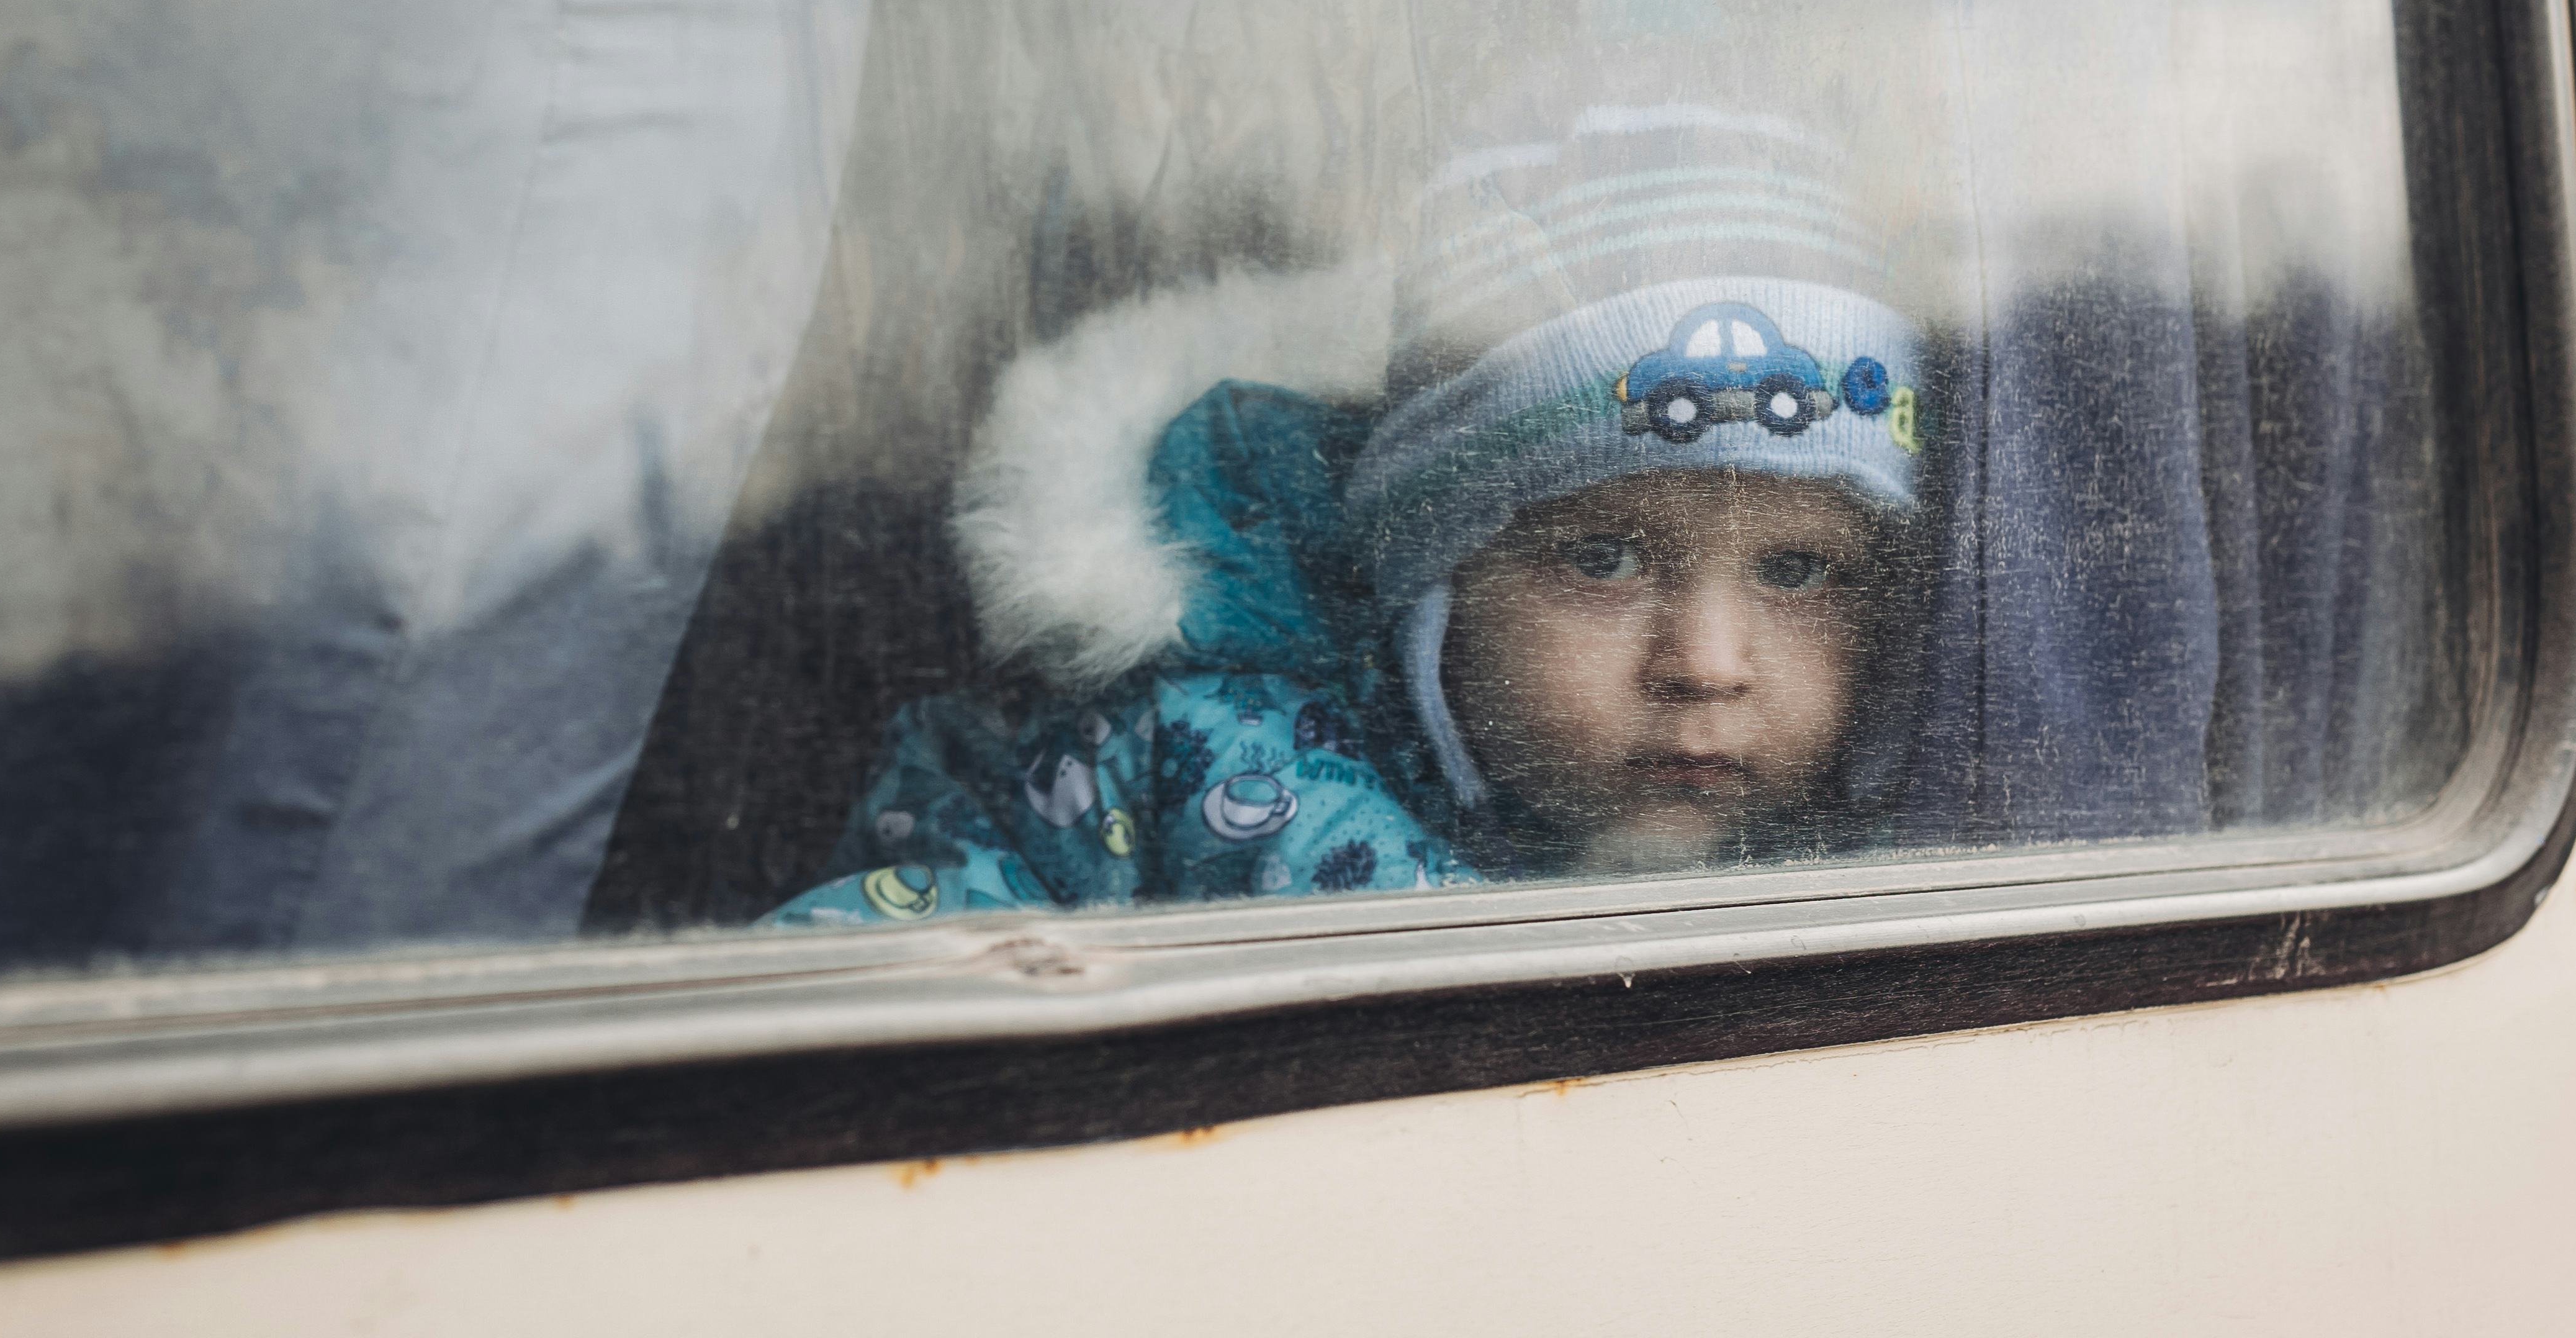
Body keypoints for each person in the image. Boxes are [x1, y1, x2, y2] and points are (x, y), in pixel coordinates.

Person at [767, 86, 1927, 925]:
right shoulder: (1186, 757)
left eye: (1796, 571)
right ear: (1433, 583)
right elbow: (865, 1011)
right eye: (1603, 558)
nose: (1709, 666)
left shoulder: (1912, 866)